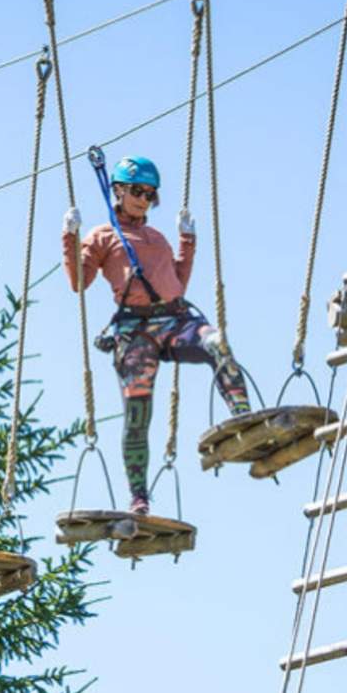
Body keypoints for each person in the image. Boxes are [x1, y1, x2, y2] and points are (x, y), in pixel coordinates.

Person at [62, 155, 250, 517]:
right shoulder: (103, 236)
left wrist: (187, 241)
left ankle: (244, 418)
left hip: (173, 320)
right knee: (138, 406)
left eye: (151, 194)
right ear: (118, 190)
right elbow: (78, 282)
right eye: (137, 191)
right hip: (135, 331)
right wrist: (69, 237)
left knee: (216, 342)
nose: (144, 199)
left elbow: (175, 283)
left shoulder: (157, 237)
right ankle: (139, 496)